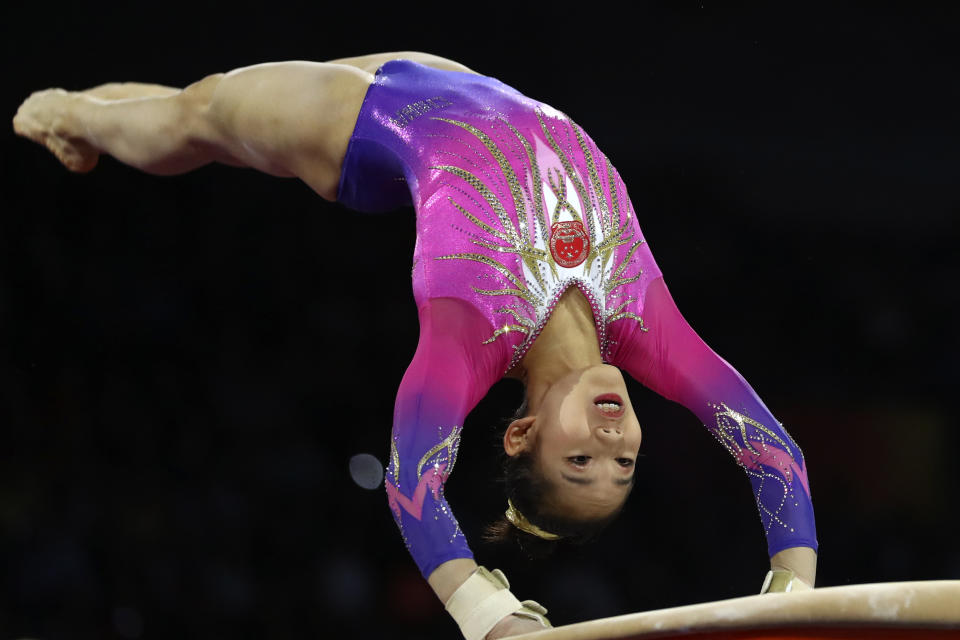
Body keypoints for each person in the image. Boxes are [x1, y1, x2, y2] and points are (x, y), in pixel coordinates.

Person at [13, 51, 818, 639]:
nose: (612, 445)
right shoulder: (651, 330)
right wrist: (794, 599)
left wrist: (484, 611)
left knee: (199, 117)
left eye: (582, 463)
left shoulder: (468, 332)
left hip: (363, 122)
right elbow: (776, 456)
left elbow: (411, 482)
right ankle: (95, 118)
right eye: (624, 464)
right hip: (465, 80)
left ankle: (76, 115)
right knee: (187, 107)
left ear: (522, 432)